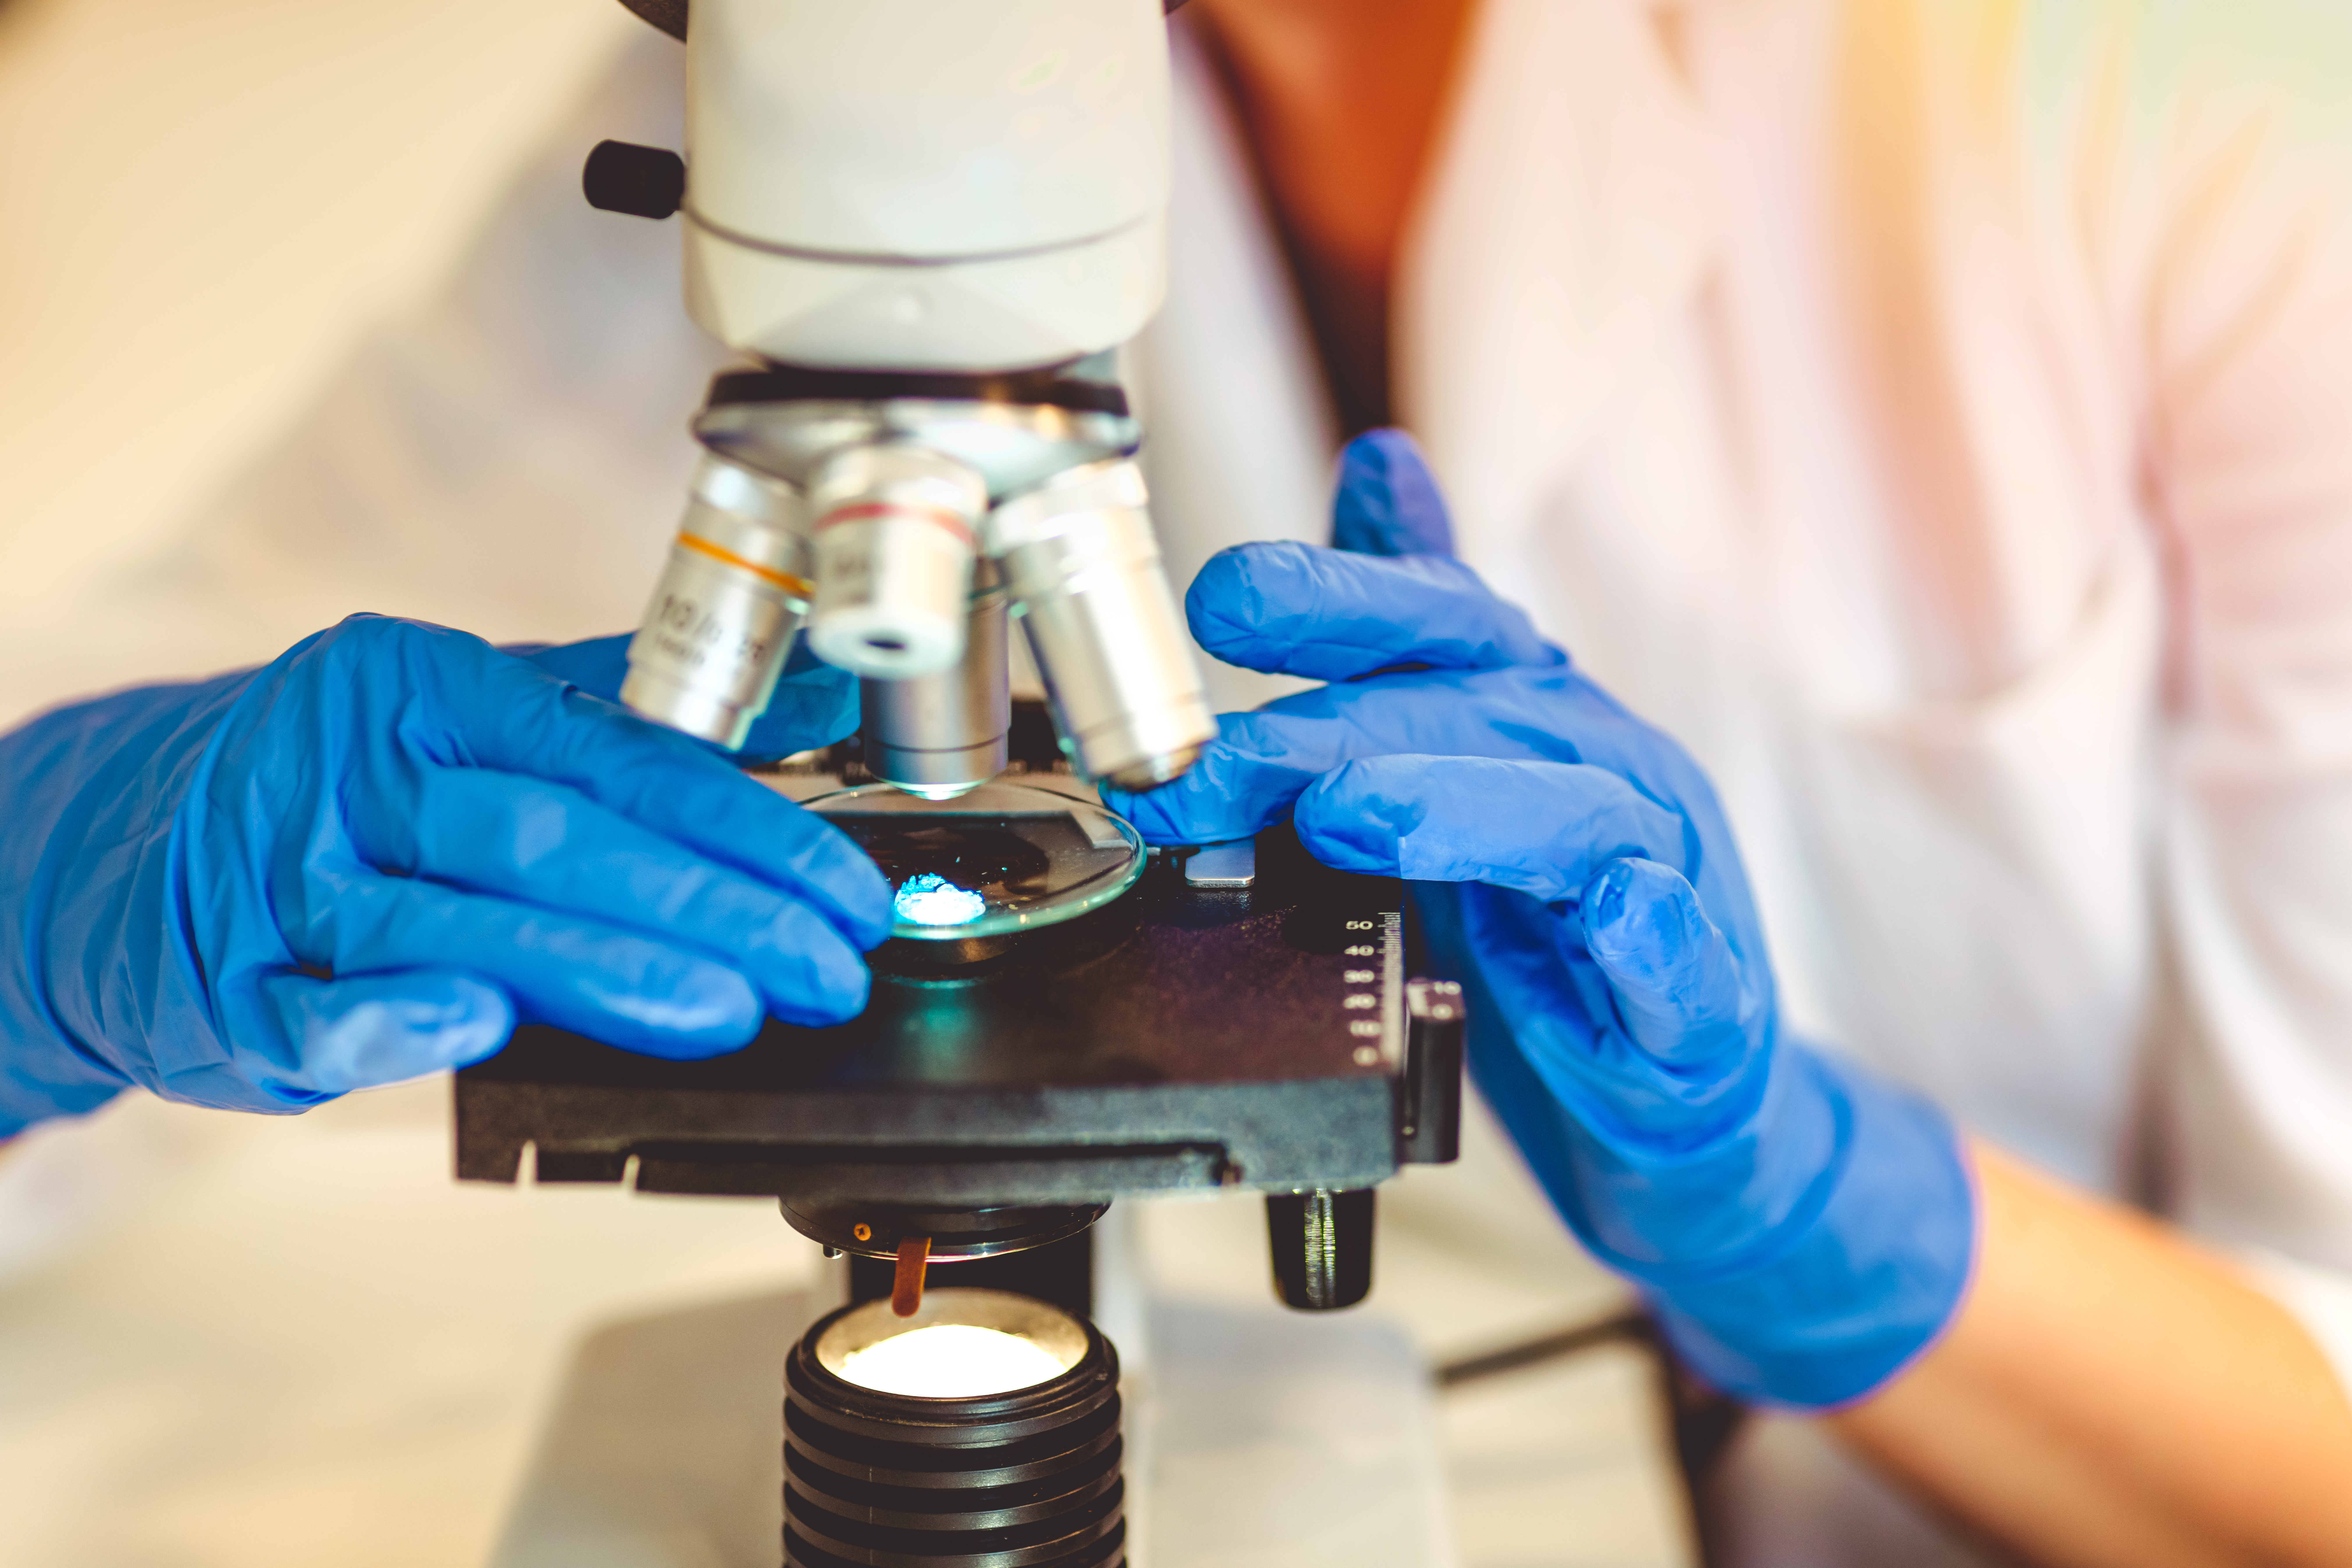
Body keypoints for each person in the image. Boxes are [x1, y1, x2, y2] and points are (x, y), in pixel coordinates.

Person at [8, 3, 2352, 1564]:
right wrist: (46, 915)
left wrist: (1822, 1215)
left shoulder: (2166, 95)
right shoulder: (794, 106)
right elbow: (214, 694)